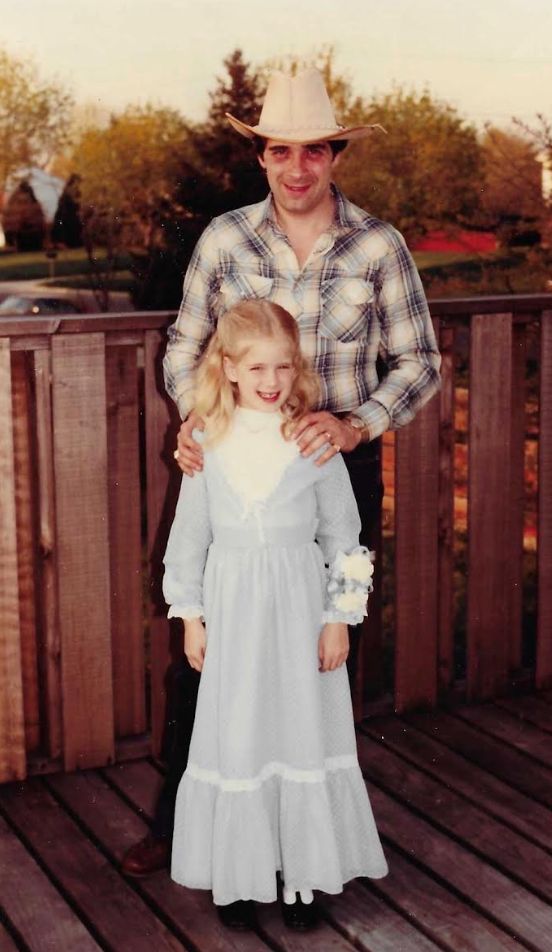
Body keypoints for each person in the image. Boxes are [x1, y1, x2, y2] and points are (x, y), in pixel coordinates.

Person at [121, 66, 440, 883]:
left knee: (324, 656)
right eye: (279, 152)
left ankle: (306, 839)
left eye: (314, 152)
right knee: (210, 658)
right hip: (233, 467)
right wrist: (197, 421)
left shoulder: (378, 246)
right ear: (261, 157)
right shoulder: (227, 239)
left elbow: (420, 362)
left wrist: (353, 421)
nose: (297, 168)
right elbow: (185, 349)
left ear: (335, 157)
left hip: (330, 471)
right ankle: (189, 830)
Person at [164, 299, 388, 930]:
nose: (271, 382)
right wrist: (191, 616)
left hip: (298, 611)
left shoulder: (312, 440)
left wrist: (338, 617)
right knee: (239, 733)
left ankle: (304, 875)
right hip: (234, 614)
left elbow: (345, 537)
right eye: (257, 367)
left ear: (298, 370)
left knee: (299, 730)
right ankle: (240, 876)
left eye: (283, 368)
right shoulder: (207, 440)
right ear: (228, 368)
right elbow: (189, 538)